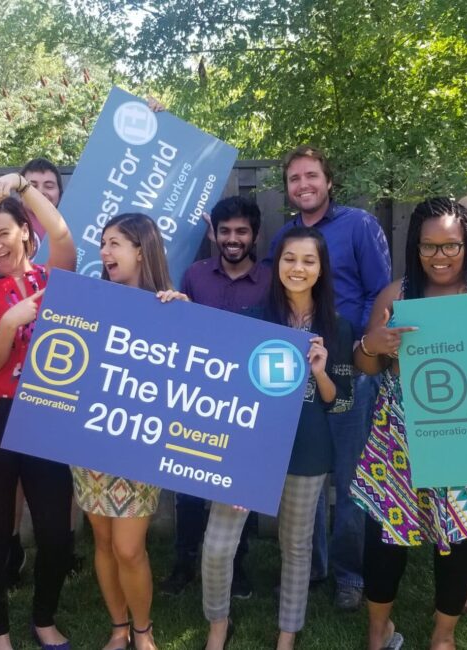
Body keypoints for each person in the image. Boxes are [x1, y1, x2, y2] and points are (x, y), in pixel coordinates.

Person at [350, 198, 467, 650]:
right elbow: (366, 366)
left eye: (451, 247)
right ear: (415, 248)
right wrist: (372, 342)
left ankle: (443, 636)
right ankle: (378, 630)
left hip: (466, 431)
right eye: (428, 247)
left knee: (459, 535)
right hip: (399, 433)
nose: (440, 257)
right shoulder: (397, 295)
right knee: (386, 536)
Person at [201, 227, 353, 650]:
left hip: (307, 451)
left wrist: (320, 371)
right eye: (290, 259)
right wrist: (176, 308)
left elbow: (339, 404)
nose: (298, 268)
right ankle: (218, 625)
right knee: (216, 546)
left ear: (321, 269)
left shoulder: (337, 328)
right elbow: (221, 380)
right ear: (276, 265)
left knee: (296, 546)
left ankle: (287, 634)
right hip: (247, 451)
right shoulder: (252, 320)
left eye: (309, 260)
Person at [268, 146, 391, 611]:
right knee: (307, 470)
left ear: (328, 181)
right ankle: (311, 566)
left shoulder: (358, 225)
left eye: (312, 176)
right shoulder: (287, 238)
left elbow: (383, 291)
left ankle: (349, 574)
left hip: (352, 369)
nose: (304, 184)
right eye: (295, 178)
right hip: (299, 376)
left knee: (350, 476)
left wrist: (368, 353)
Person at [0, 180, 77, 650]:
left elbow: (64, 235)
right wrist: (9, 320)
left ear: (26, 233)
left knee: (54, 533)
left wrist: (25, 188)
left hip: (46, 415)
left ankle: (43, 619)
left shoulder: (54, 278)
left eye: (4, 233)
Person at [80, 212, 186, 650]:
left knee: (128, 548)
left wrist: (184, 320)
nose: (104, 252)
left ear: (141, 250)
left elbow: (190, 375)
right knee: (103, 541)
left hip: (140, 444)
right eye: (103, 244)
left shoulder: (170, 306)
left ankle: (143, 630)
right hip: (89, 441)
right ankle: (118, 627)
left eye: (114, 243)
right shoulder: (90, 300)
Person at [162, 196, 270, 598]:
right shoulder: (194, 275)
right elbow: (181, 332)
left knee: (238, 489)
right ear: (215, 234)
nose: (233, 239)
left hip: (246, 403)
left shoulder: (270, 280)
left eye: (241, 231)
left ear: (254, 235)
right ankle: (183, 563)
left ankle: (236, 567)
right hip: (197, 399)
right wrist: (177, 307)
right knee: (187, 489)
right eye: (225, 231)